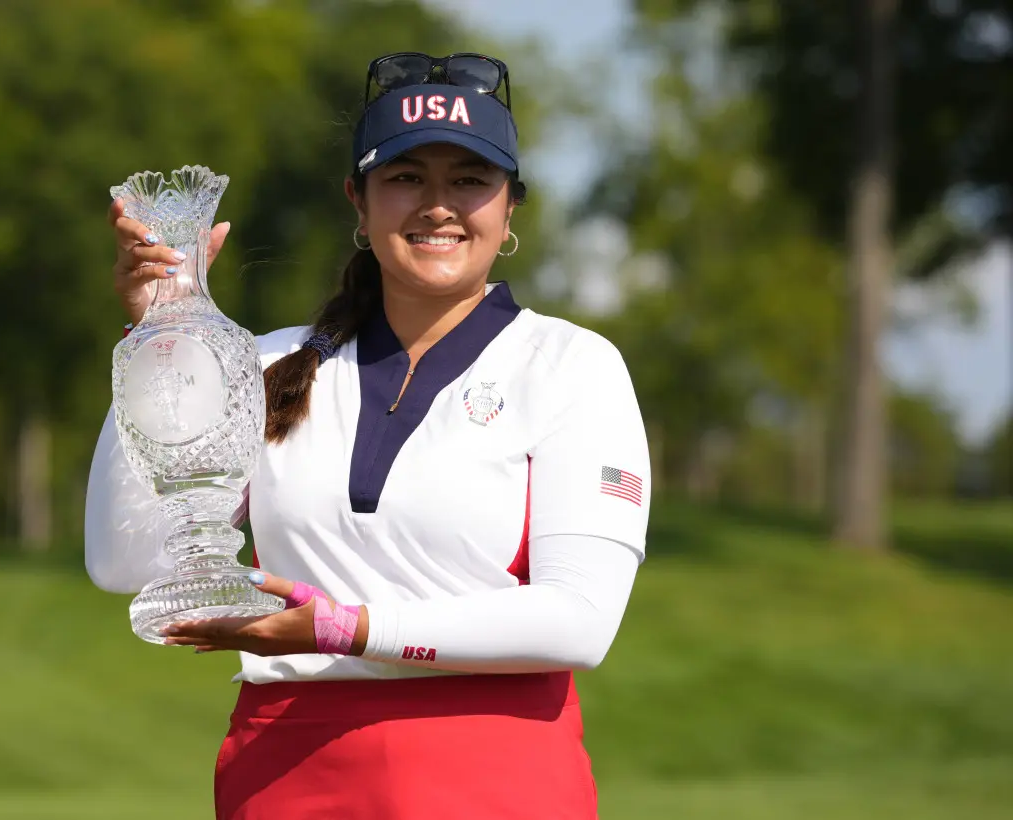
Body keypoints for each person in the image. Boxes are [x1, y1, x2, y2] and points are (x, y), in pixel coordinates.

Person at [86, 51, 650, 820]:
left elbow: (579, 621)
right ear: (359, 200)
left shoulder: (570, 364)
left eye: (470, 180)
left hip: (499, 775)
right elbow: (126, 561)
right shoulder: (265, 360)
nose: (438, 205)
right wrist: (161, 334)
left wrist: (348, 627)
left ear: (511, 205)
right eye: (406, 177)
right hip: (285, 771)